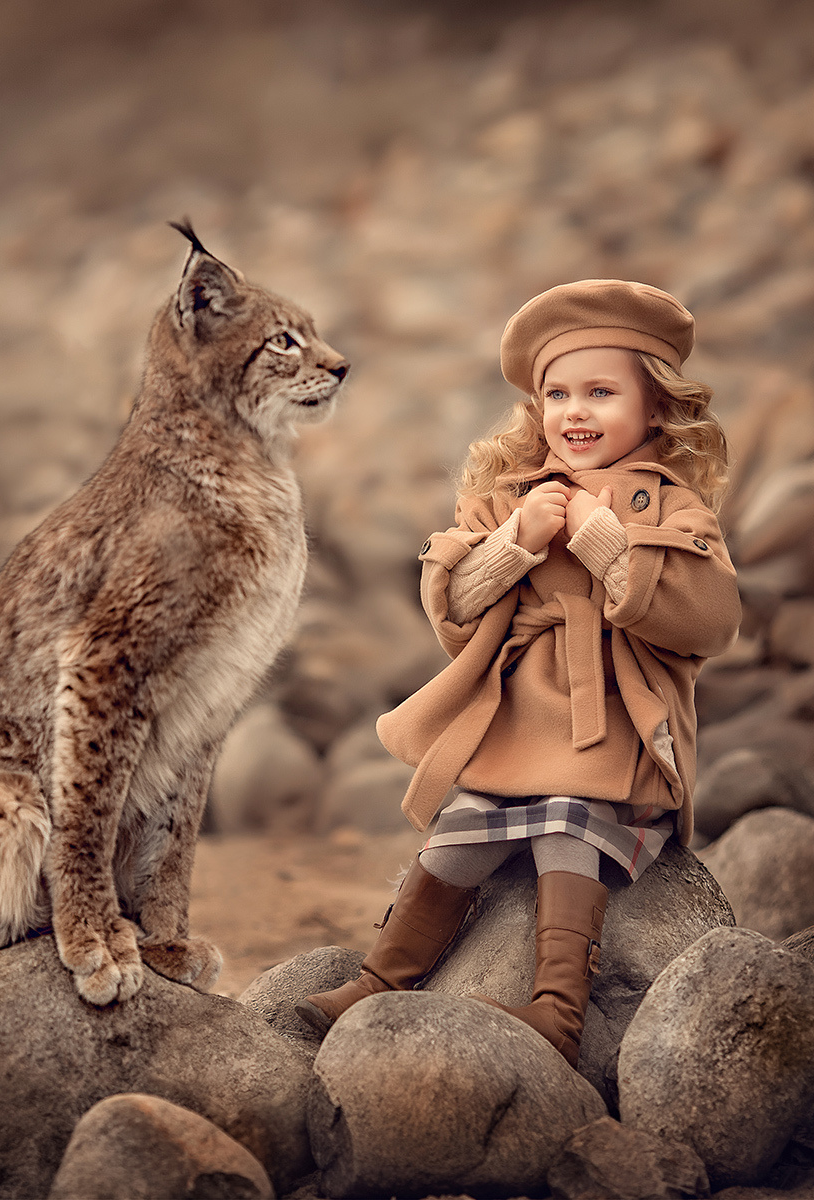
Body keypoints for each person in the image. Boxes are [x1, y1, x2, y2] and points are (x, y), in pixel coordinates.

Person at [296, 279, 743, 1068]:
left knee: (574, 825)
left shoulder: (672, 507)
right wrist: (516, 543)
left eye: (601, 392)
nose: (575, 412)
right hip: (516, 722)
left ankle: (557, 1009)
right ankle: (380, 979)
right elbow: (455, 607)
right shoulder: (510, 496)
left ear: (655, 408)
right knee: (457, 836)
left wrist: (607, 541)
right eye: (557, 393)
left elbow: (710, 618)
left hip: (613, 724)